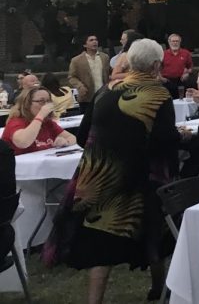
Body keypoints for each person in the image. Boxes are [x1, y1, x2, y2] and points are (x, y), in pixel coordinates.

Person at [43, 39, 179, 303]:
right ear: (155, 65)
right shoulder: (159, 94)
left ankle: (95, 300)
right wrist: (182, 139)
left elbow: (83, 136)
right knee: (152, 234)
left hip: (99, 177)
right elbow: (164, 141)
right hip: (141, 178)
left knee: (101, 242)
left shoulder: (106, 89)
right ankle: (157, 290)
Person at [1, 86, 77, 155]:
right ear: (27, 104)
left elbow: (72, 137)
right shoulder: (16, 122)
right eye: (41, 101)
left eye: (48, 101)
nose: (46, 105)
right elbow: (23, 143)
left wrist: (65, 142)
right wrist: (40, 115)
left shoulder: (47, 123)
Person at [67, 33, 110, 122]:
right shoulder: (77, 60)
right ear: (85, 45)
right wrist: (80, 86)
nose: (95, 42)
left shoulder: (104, 57)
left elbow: (110, 73)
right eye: (91, 40)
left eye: (96, 40)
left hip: (104, 96)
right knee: (88, 123)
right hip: (87, 98)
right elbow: (71, 77)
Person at [161, 32, 193, 100]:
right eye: (173, 41)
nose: (175, 43)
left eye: (177, 41)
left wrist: (187, 73)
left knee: (181, 100)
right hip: (167, 82)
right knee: (169, 101)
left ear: (180, 42)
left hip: (181, 81)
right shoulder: (163, 54)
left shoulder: (186, 53)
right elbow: (157, 68)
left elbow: (190, 68)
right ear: (169, 42)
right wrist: (161, 78)